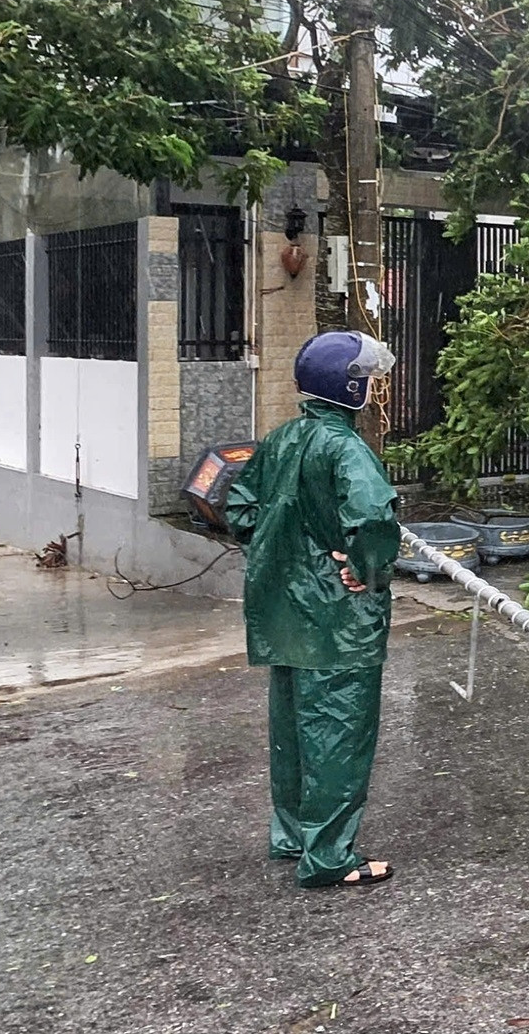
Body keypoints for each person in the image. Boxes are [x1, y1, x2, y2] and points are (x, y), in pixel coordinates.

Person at [226, 331, 402, 888]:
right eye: (369, 380)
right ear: (348, 386)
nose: (375, 389)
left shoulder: (282, 438)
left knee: (292, 728)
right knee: (336, 730)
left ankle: (294, 834)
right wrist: (364, 568)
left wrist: (283, 552)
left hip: (286, 609)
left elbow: (239, 504)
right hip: (337, 620)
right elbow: (374, 520)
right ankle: (329, 857)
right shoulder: (347, 449)